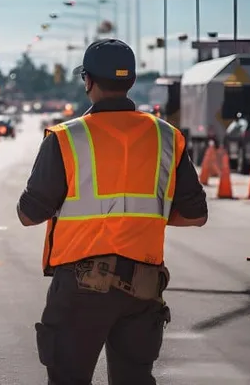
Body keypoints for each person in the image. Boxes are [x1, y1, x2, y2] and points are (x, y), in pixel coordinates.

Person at [16, 39, 208, 385]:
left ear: (88, 81)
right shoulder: (167, 137)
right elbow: (195, 214)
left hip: (80, 287)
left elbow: (29, 214)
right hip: (143, 285)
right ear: (131, 81)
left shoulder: (66, 138)